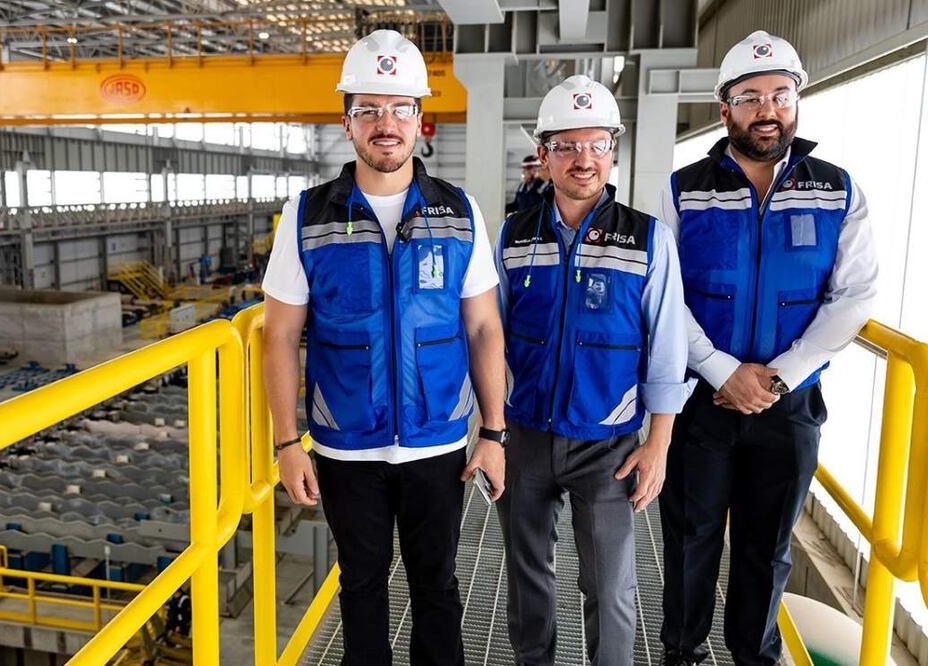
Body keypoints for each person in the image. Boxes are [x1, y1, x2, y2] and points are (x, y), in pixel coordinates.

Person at [260, 29, 508, 666]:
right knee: (361, 586)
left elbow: (484, 328)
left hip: (439, 439)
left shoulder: (461, 211)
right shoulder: (306, 215)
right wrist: (287, 444)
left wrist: (493, 433)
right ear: (347, 122)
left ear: (421, 120)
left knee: (437, 586)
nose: (385, 123)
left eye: (400, 108)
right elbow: (280, 335)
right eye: (368, 109)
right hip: (346, 444)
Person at [657, 30, 877, 666]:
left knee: (767, 547)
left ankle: (754, 657)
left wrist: (780, 376)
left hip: (789, 405)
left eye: (781, 94)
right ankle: (681, 654)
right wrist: (721, 370)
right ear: (724, 107)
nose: (767, 109)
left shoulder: (838, 190)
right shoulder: (684, 189)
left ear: (797, 101)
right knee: (690, 541)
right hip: (701, 402)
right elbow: (665, 296)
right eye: (750, 97)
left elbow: (855, 295)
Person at [496, 74, 689, 666]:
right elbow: (488, 335)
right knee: (527, 577)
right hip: (525, 434)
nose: (583, 159)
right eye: (567, 146)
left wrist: (658, 444)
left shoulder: (648, 239)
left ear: (612, 149)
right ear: (544, 155)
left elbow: (668, 347)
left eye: (597, 144)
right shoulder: (513, 236)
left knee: (610, 588)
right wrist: (489, 430)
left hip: (608, 445)